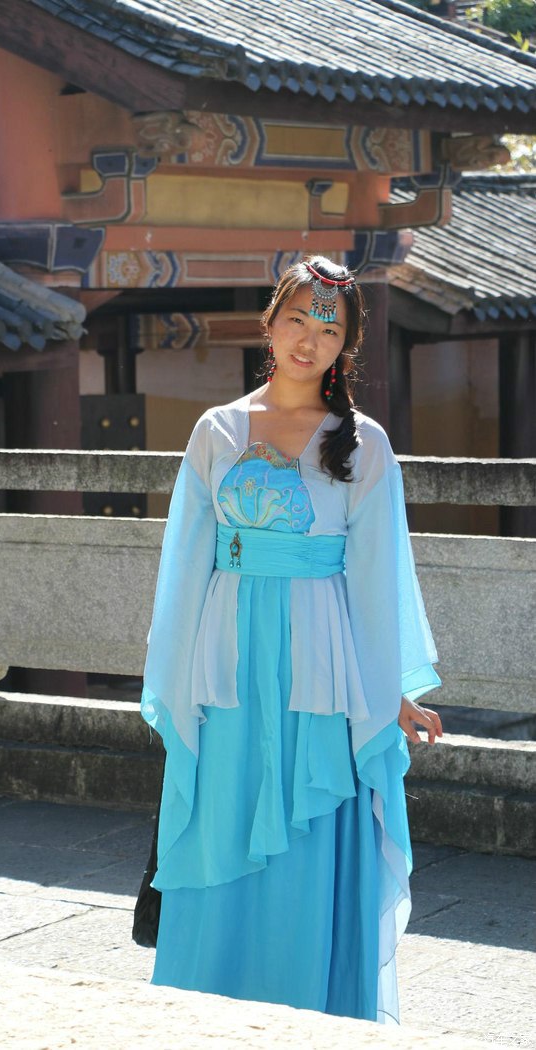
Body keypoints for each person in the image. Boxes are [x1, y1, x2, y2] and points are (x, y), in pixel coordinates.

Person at [139, 256, 443, 1025]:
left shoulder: (364, 444)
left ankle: (306, 1013)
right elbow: (187, 565)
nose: (310, 340)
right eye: (299, 321)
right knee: (223, 813)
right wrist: (174, 680)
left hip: (321, 666)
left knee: (309, 833)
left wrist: (391, 692)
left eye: (329, 329)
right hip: (226, 664)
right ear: (270, 325)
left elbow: (376, 579)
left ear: (346, 346)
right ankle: (203, 1015)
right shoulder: (217, 431)